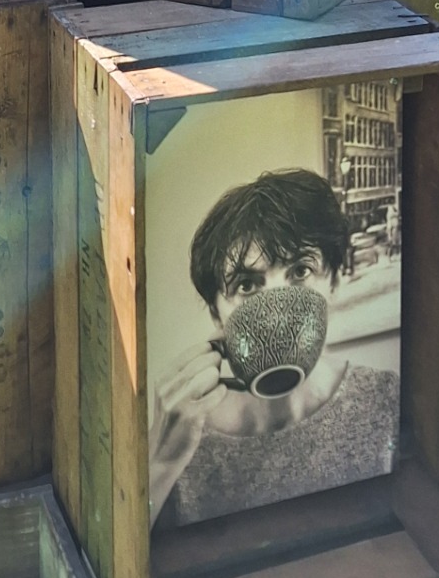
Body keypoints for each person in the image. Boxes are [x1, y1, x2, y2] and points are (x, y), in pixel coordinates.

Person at [149, 168, 399, 528]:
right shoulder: (181, 435)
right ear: (217, 316)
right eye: (247, 285)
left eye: (300, 272)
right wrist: (160, 465)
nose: (276, 313)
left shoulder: (385, 400)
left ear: (333, 283)